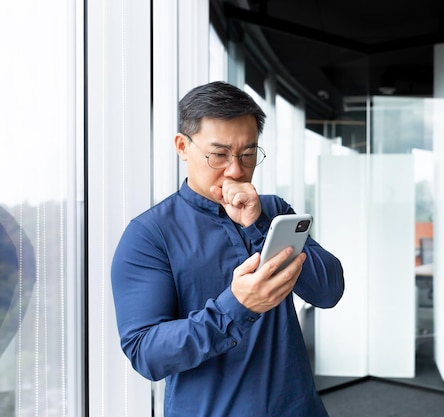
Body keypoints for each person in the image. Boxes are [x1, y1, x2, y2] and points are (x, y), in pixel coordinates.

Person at [111, 81, 345, 417]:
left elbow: (329, 291)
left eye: (248, 153)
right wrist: (236, 307)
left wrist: (259, 224)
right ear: (182, 146)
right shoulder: (149, 235)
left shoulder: (274, 211)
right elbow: (146, 353)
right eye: (219, 154)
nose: (236, 170)